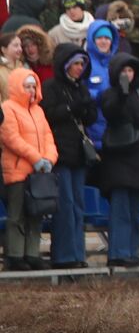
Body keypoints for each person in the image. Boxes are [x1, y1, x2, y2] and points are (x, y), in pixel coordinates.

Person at [39, 43, 97, 268]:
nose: (79, 68)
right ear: (65, 65)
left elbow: (90, 116)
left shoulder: (81, 87)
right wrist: (73, 107)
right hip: (60, 153)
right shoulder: (51, 87)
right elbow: (49, 114)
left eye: (82, 63)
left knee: (78, 205)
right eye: (75, 64)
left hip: (79, 154)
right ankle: (64, 255)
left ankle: (78, 254)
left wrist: (87, 107)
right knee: (65, 204)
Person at [98, 53, 139, 267]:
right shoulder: (109, 94)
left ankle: (131, 250)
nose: (127, 74)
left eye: (131, 70)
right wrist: (122, 94)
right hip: (118, 160)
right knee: (120, 209)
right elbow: (111, 113)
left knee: (134, 211)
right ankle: (118, 252)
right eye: (123, 70)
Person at [2, 68, 59, 270]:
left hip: (39, 173)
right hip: (17, 171)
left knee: (36, 214)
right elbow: (11, 138)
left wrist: (49, 159)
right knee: (16, 215)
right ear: (17, 87)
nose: (31, 90)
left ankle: (32, 253)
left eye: (33, 86)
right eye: (27, 86)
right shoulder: (7, 108)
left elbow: (48, 138)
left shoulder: (38, 111)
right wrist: (35, 158)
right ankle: (15, 255)